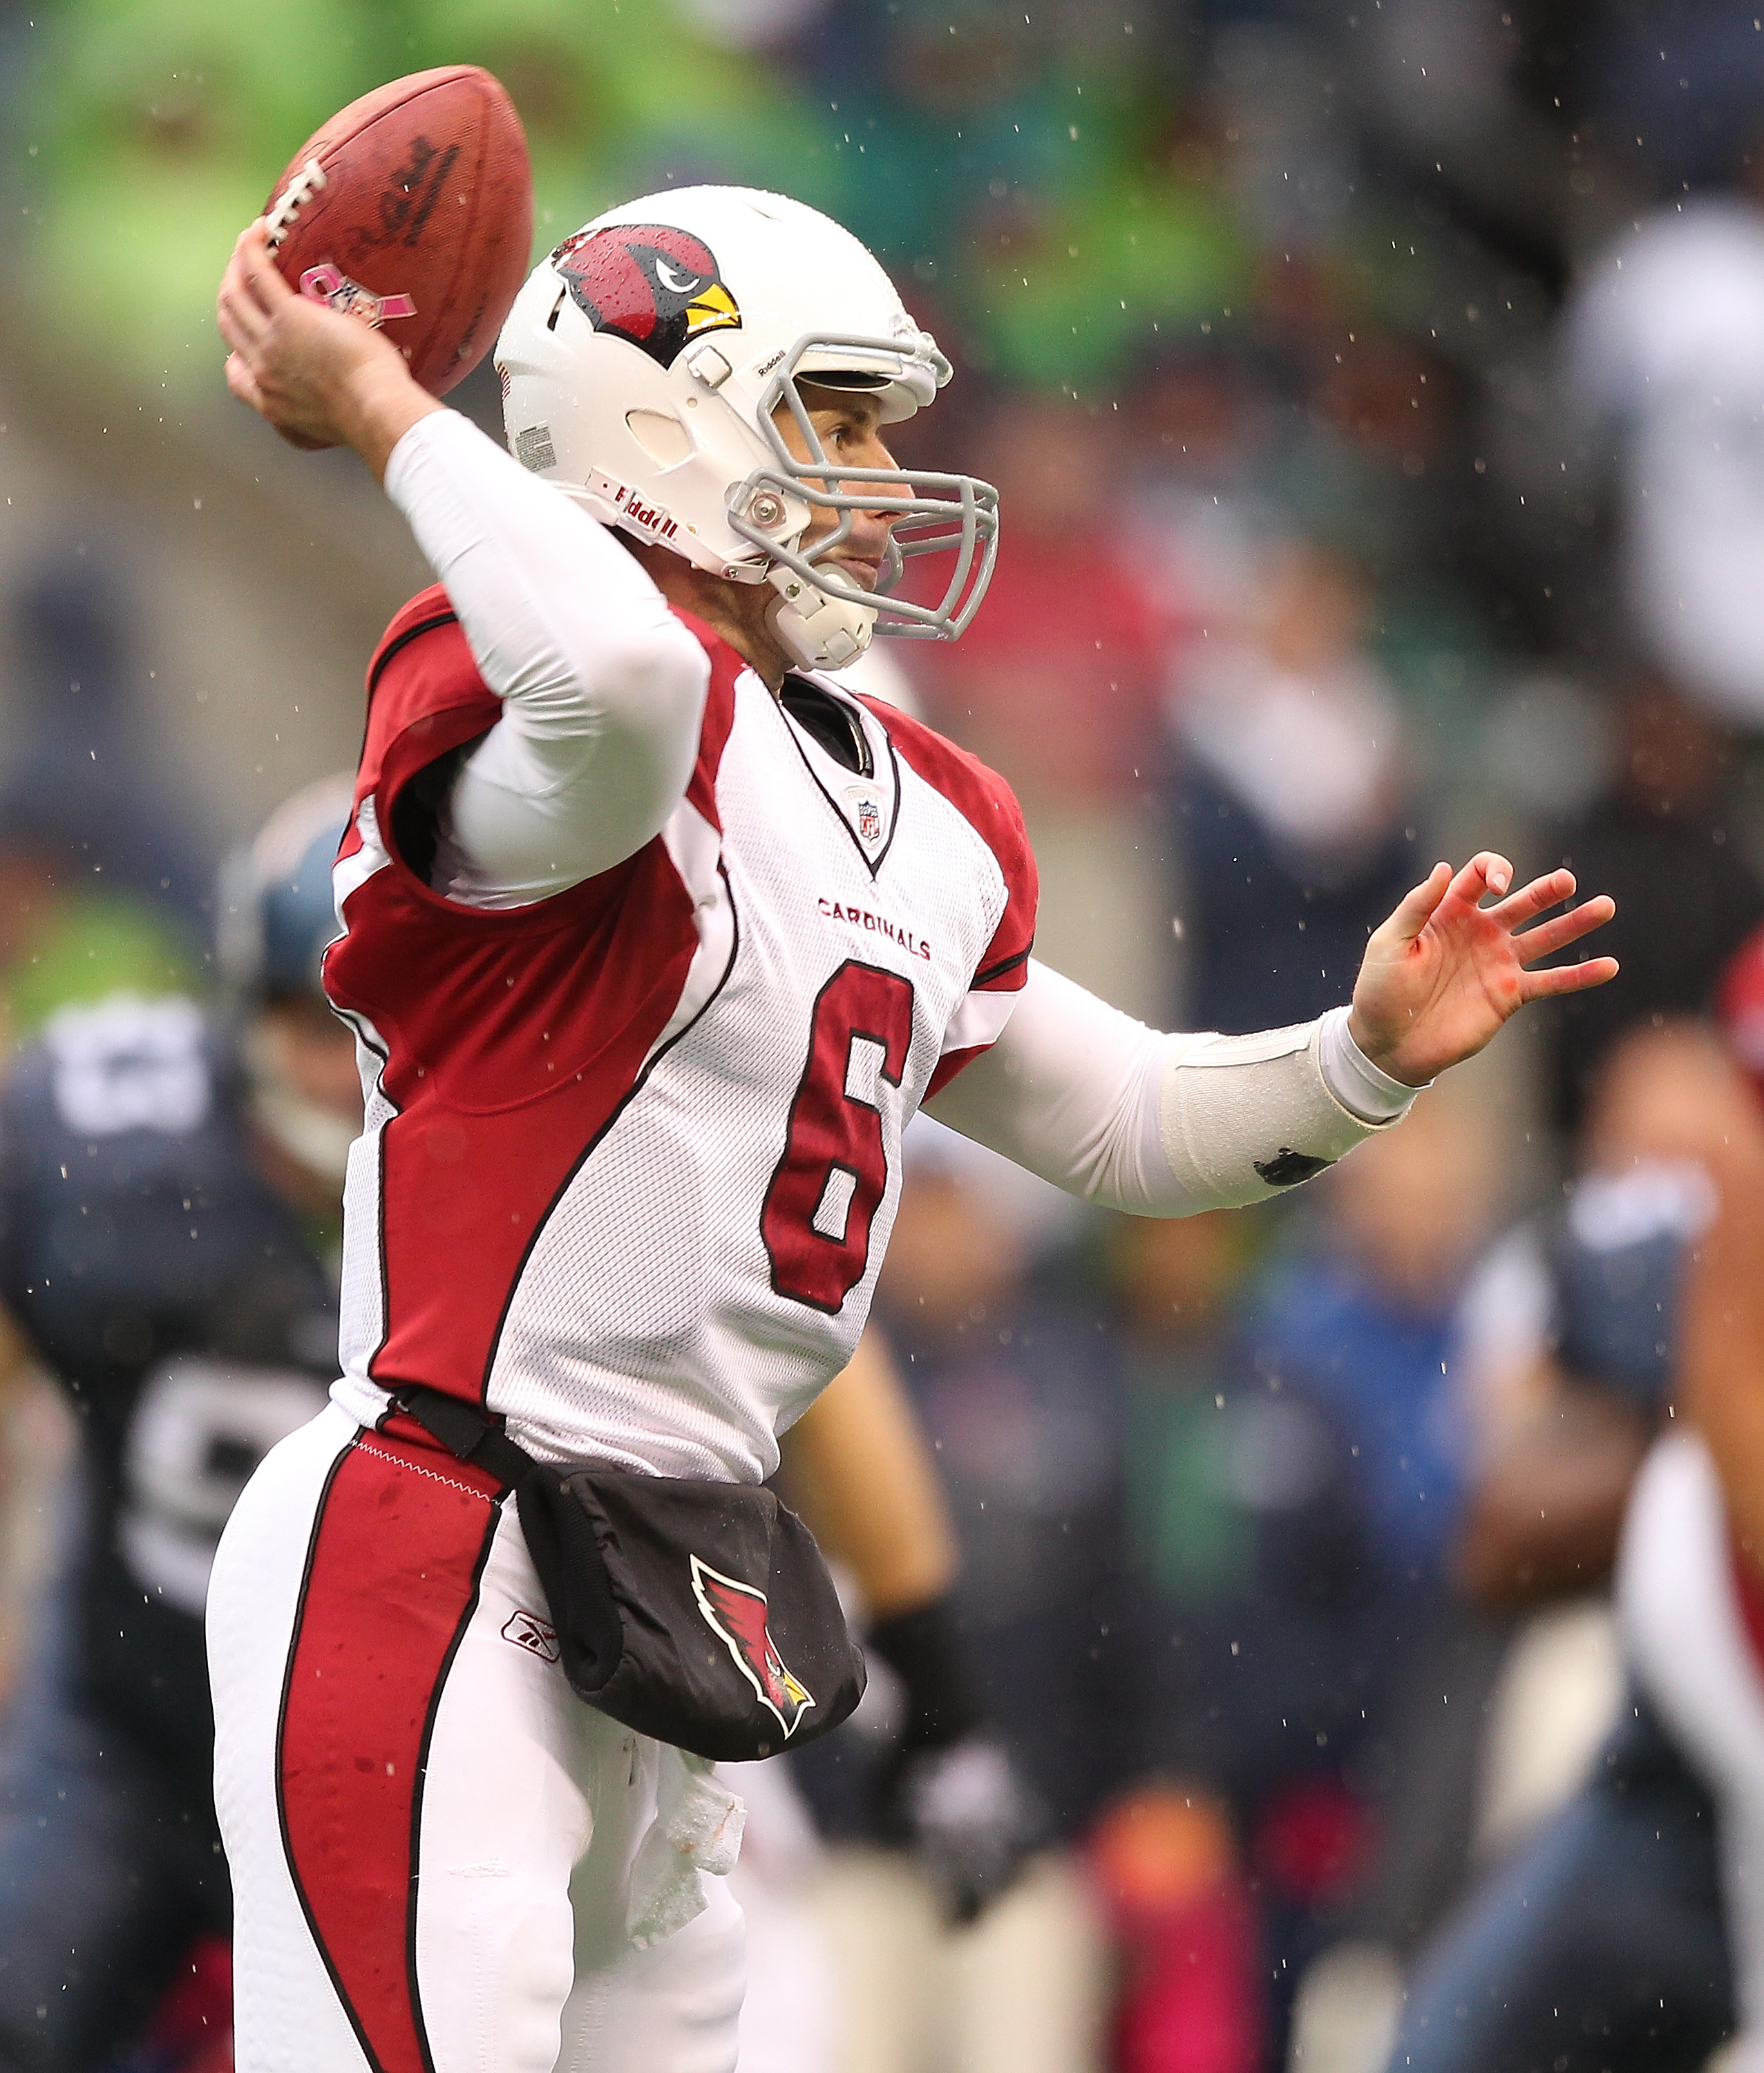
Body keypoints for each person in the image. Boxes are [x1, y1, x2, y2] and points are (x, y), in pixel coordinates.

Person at [210, 179, 1616, 2073]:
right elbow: (621, 681)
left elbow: (1126, 1128)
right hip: (442, 1545)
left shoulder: (915, 807)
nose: (879, 476)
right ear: (655, 425)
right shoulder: (564, 707)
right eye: (835, 416)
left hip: (670, 1572)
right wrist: (390, 409)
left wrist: (1358, 1052)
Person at [0, 776, 356, 2073]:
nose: (346, 1071)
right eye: (310, 1020)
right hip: (130, 1727)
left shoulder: (557, 1203)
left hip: (389, 1779)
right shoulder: (111, 1140)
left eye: (377, 1027)